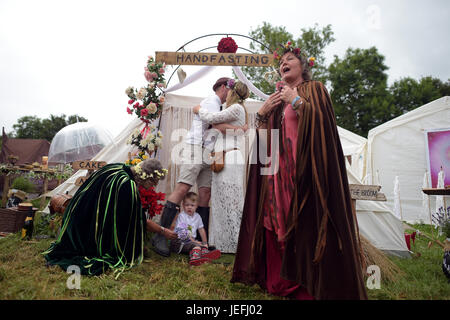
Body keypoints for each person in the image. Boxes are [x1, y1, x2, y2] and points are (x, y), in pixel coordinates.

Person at [231, 43, 368, 300]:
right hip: (277, 175)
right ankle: (283, 280)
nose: (284, 62)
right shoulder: (275, 100)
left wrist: (295, 100)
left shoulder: (314, 90)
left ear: (303, 66)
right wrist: (262, 115)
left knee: (302, 221)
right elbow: (264, 146)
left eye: (290, 58)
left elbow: (323, 124)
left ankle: (307, 281)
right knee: (275, 221)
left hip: (305, 174)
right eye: (281, 61)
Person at [152, 77, 242, 257]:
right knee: (183, 186)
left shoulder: (221, 106)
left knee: (205, 193)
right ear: (223, 88)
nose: (229, 95)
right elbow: (215, 123)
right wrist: (242, 127)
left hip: (208, 151)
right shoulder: (211, 101)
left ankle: (202, 240)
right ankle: (159, 236)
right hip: (195, 147)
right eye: (229, 90)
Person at [43, 159, 177, 276]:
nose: (154, 186)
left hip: (78, 219)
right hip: (88, 230)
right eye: (154, 182)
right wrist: (162, 231)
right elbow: (136, 221)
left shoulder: (116, 167)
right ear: (146, 177)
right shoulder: (127, 185)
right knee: (117, 254)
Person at [192, 80, 249, 253]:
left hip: (229, 157)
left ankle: (233, 243)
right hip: (221, 156)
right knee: (220, 200)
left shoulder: (237, 108)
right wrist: (227, 127)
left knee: (230, 199)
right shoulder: (234, 110)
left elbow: (212, 119)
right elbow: (218, 125)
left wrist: (198, 110)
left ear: (232, 92)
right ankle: (221, 242)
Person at [169, 192, 221, 265]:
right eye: (187, 205)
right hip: (178, 242)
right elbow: (184, 233)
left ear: (196, 206)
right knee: (195, 245)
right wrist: (194, 242)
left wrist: (205, 243)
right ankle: (194, 258)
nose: (189, 207)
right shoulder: (182, 216)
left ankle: (204, 253)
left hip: (189, 240)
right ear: (183, 205)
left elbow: (201, 230)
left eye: (192, 205)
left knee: (201, 245)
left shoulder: (197, 216)